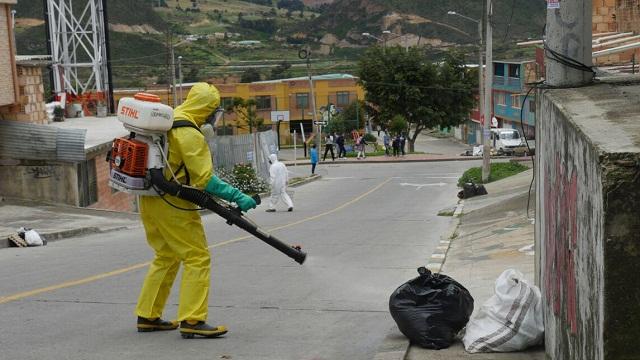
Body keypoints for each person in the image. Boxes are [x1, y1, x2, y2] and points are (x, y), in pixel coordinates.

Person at [135, 83, 257, 339]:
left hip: (149, 199)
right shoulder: (188, 132)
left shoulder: (168, 119)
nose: (213, 117)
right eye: (213, 111)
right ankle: (193, 318)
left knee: (165, 255)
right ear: (207, 109)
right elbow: (205, 181)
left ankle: (148, 315)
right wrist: (237, 195)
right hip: (172, 203)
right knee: (197, 257)